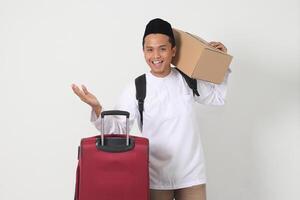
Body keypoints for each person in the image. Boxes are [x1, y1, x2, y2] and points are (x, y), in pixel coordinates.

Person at [72, 18, 230, 200]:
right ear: (143, 52)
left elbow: (217, 98)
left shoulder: (187, 79)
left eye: (162, 49)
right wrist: (97, 107)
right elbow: (117, 129)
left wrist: (222, 64)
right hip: (155, 177)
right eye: (150, 49)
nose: (156, 56)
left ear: (173, 51)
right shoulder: (138, 86)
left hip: (191, 176)